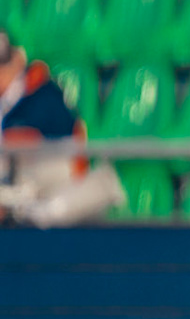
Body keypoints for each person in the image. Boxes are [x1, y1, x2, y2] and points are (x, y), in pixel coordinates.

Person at [0, 33, 120, 226]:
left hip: (52, 185)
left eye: (3, 65)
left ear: (16, 60)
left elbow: (26, 140)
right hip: (16, 189)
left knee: (47, 212)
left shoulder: (43, 92)